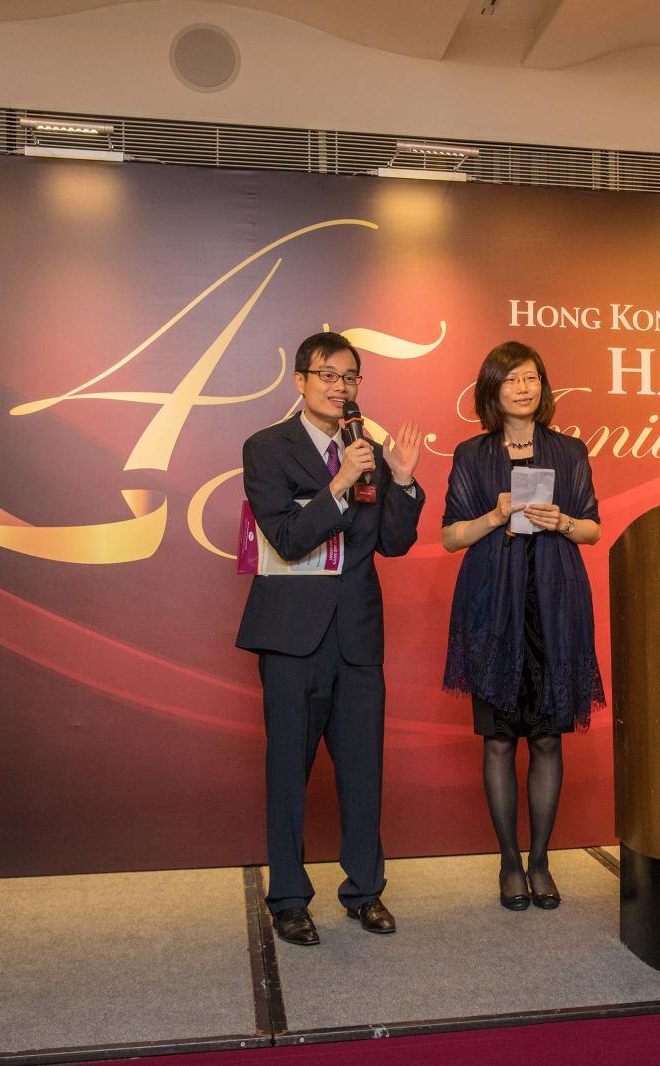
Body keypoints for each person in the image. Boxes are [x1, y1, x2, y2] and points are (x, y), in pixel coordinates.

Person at [236, 331, 424, 946]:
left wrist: (404, 483)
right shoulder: (267, 448)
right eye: (328, 375)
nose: (340, 387)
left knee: (363, 771)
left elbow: (393, 543)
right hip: (292, 639)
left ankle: (365, 891)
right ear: (300, 381)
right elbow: (288, 539)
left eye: (350, 377)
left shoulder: (366, 448)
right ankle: (289, 899)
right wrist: (339, 481)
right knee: (288, 773)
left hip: (358, 636)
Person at [441, 341, 604, 911]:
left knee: (547, 737)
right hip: (492, 607)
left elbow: (592, 530)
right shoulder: (472, 454)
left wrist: (562, 521)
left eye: (531, 377)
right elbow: (451, 536)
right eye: (511, 379)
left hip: (554, 606)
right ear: (492, 390)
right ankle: (509, 861)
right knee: (499, 738)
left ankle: (540, 861)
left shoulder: (570, 450)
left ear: (544, 386)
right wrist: (496, 514)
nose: (523, 387)